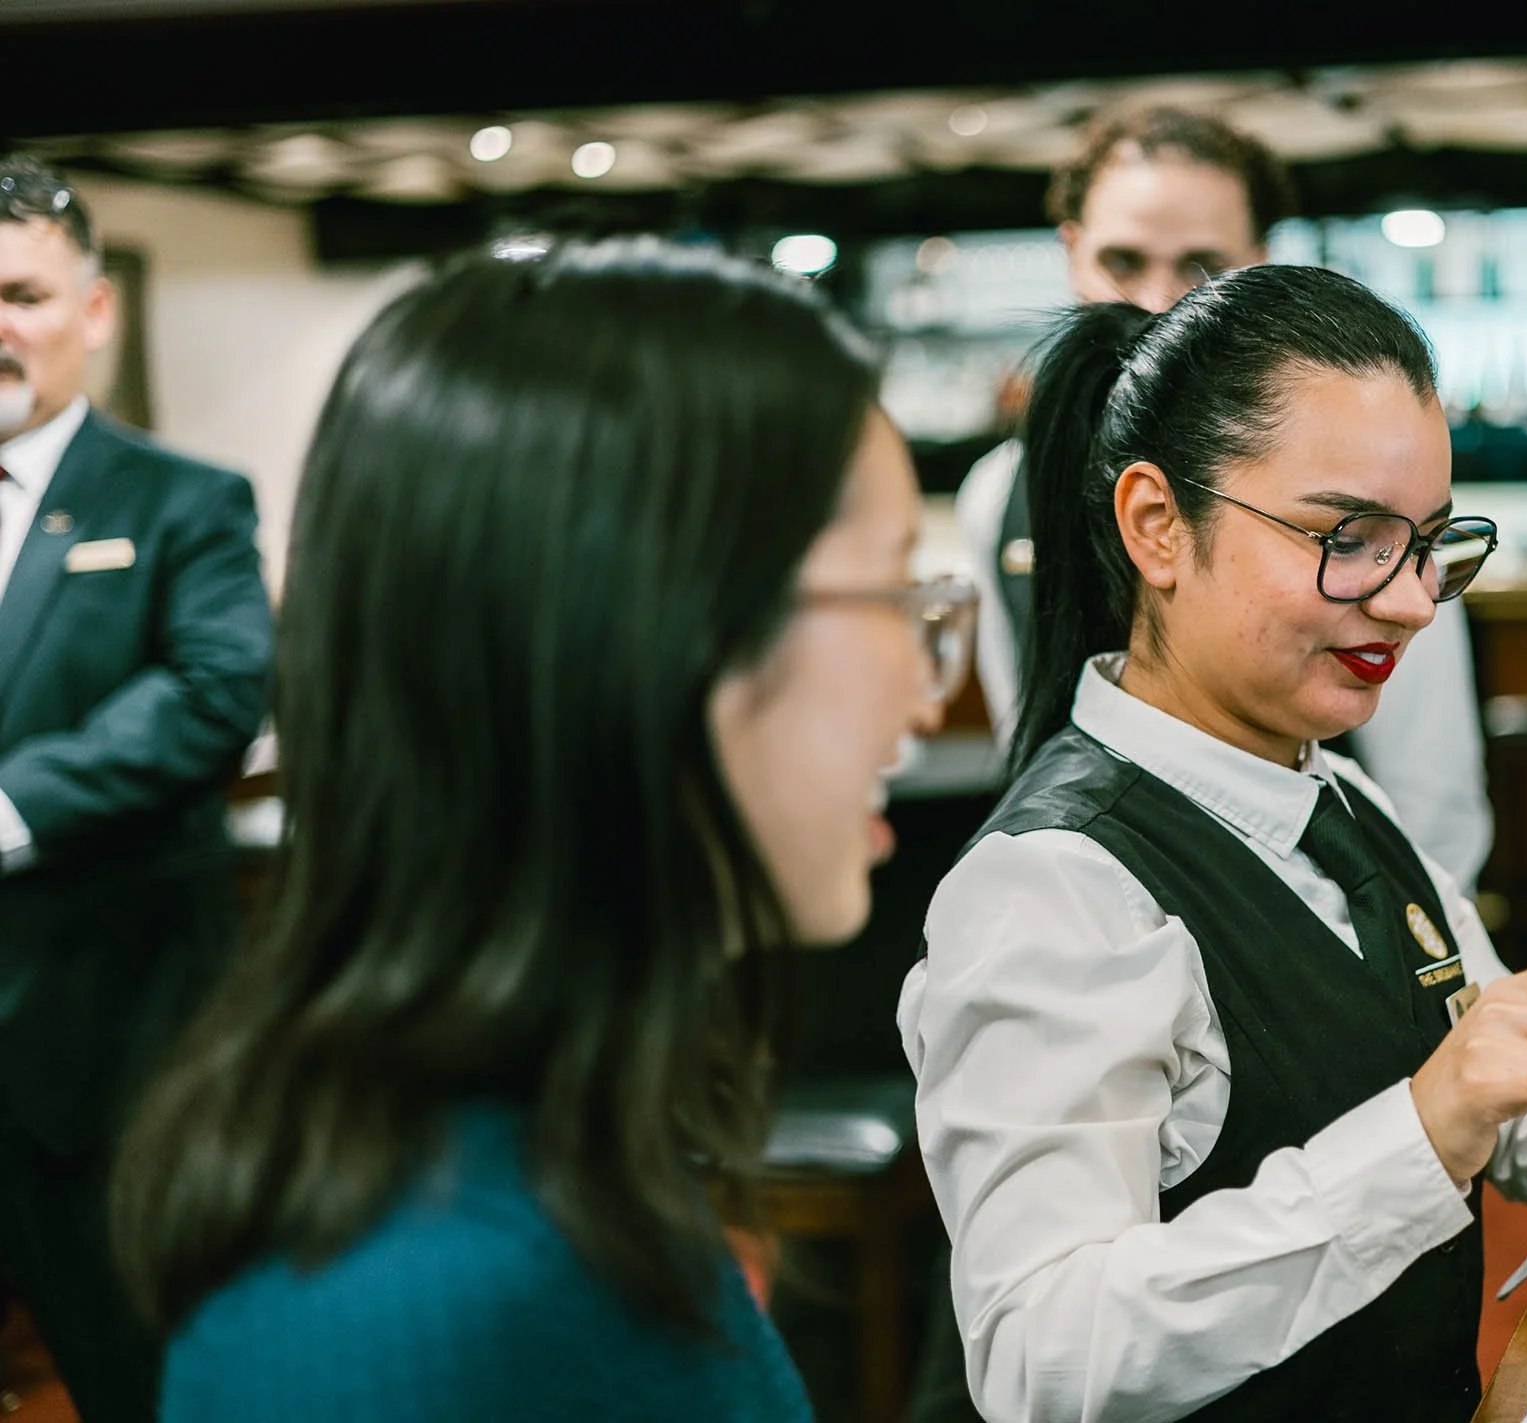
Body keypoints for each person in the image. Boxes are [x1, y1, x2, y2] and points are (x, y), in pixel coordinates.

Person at [108, 235, 977, 1419]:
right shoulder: (399, 1302)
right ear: (659, 632)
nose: (925, 686)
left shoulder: (547, 1150)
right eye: (893, 593)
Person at [900, 264, 1527, 1422]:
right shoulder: (1053, 887)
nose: (1414, 601)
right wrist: (1424, 1129)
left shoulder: (1339, 797)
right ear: (1157, 526)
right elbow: (1041, 1355)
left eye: (1425, 543)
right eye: (1349, 537)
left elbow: (1478, 1076)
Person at [955, 105, 1493, 888]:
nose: (1157, 300)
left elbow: (1432, 791)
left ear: (1259, 267)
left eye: (1200, 267)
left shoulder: (1376, 503)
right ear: (1071, 252)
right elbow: (1029, 734)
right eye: (1123, 260)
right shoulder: (1000, 496)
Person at [0, 155, 274, 1422]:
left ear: (93, 311)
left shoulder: (182, 505)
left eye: (24, 293)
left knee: (143, 1387)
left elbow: (212, 692)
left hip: (100, 1062)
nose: (0, 326)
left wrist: (11, 805)